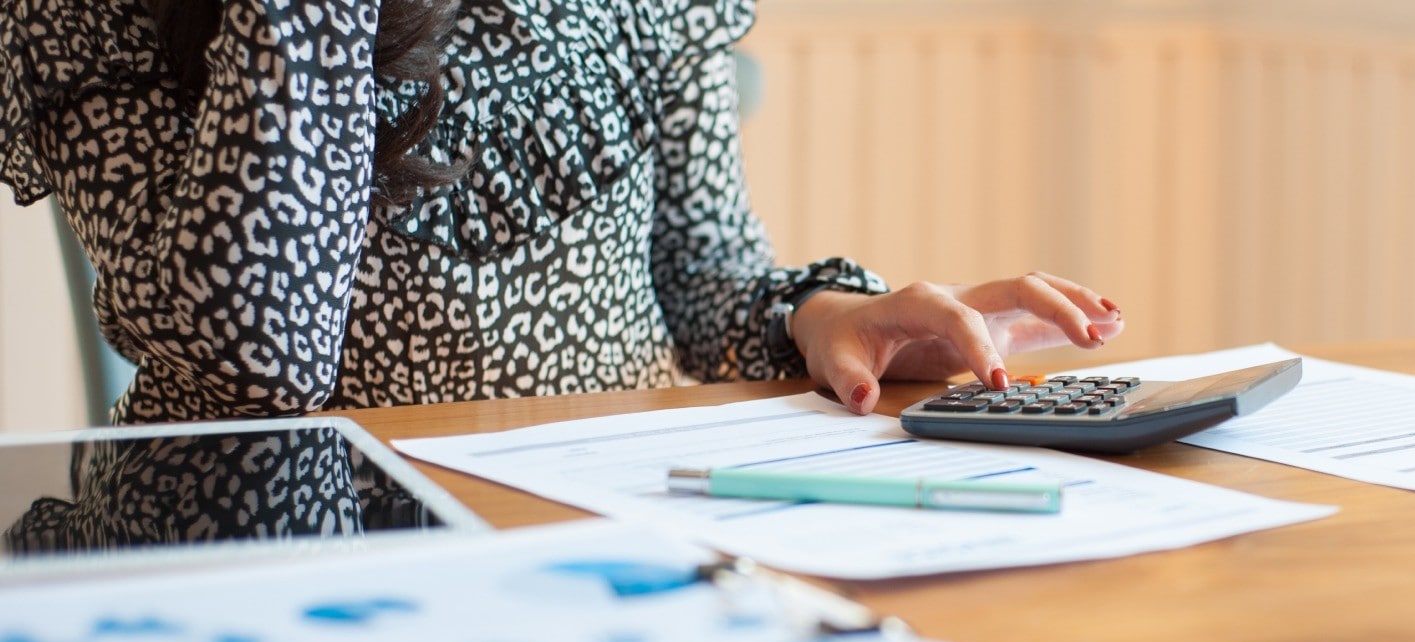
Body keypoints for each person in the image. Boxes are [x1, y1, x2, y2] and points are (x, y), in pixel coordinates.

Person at [0, 0, 1124, 425]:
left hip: (605, 550)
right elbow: (260, 359)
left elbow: (705, 288)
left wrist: (827, 317)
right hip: (279, 574)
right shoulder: (88, 19)